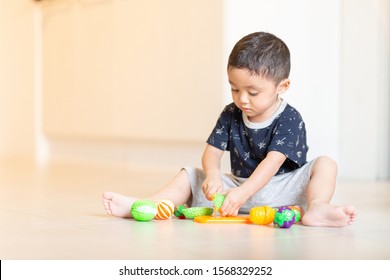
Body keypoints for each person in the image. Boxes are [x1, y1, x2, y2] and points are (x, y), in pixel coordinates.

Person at [103, 31, 356, 227]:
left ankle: (317, 207)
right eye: (235, 89)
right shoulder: (230, 113)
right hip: (235, 188)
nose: (242, 99)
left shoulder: (289, 118)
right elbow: (211, 153)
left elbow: (272, 162)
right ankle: (147, 205)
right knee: (190, 175)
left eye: (253, 92)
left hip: (280, 189)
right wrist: (213, 176)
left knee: (325, 164)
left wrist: (244, 193)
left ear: (283, 86)